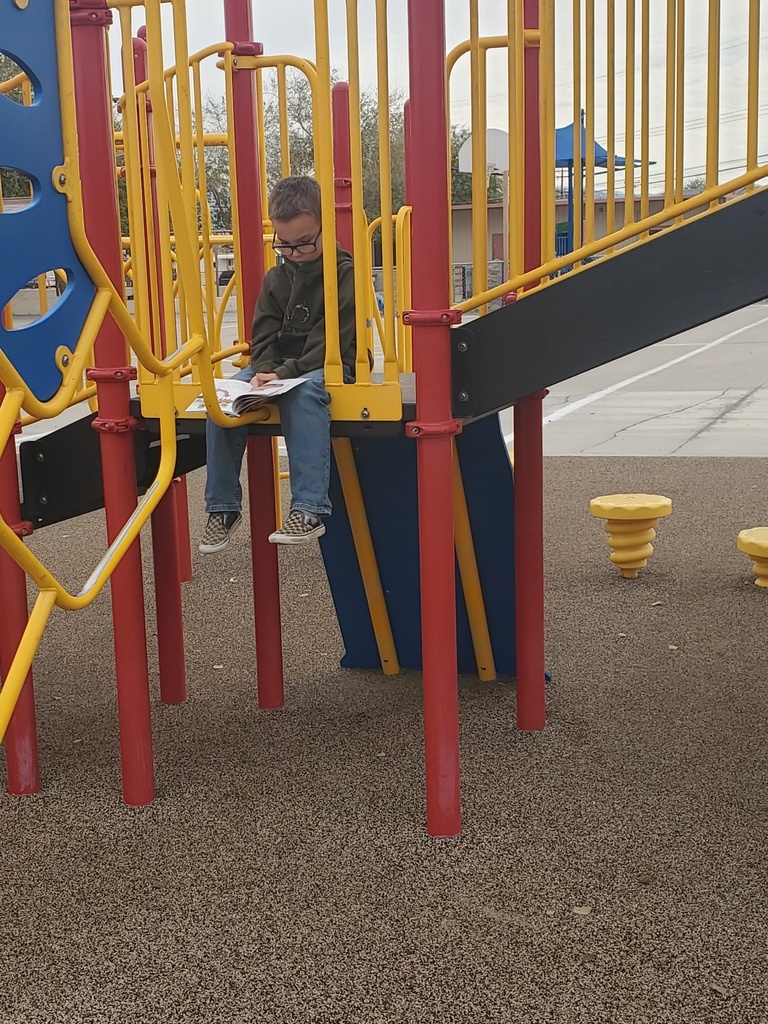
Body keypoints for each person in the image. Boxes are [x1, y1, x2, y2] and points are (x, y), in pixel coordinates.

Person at [199, 175, 356, 553]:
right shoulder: (276, 277)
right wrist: (264, 370)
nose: (295, 252)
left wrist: (283, 374)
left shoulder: (343, 272)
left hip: (328, 363)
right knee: (220, 397)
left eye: (305, 243)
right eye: (285, 244)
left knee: (303, 396)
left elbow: (331, 337)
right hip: (280, 367)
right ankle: (222, 507)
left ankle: (309, 507)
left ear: (325, 227)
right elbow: (263, 333)